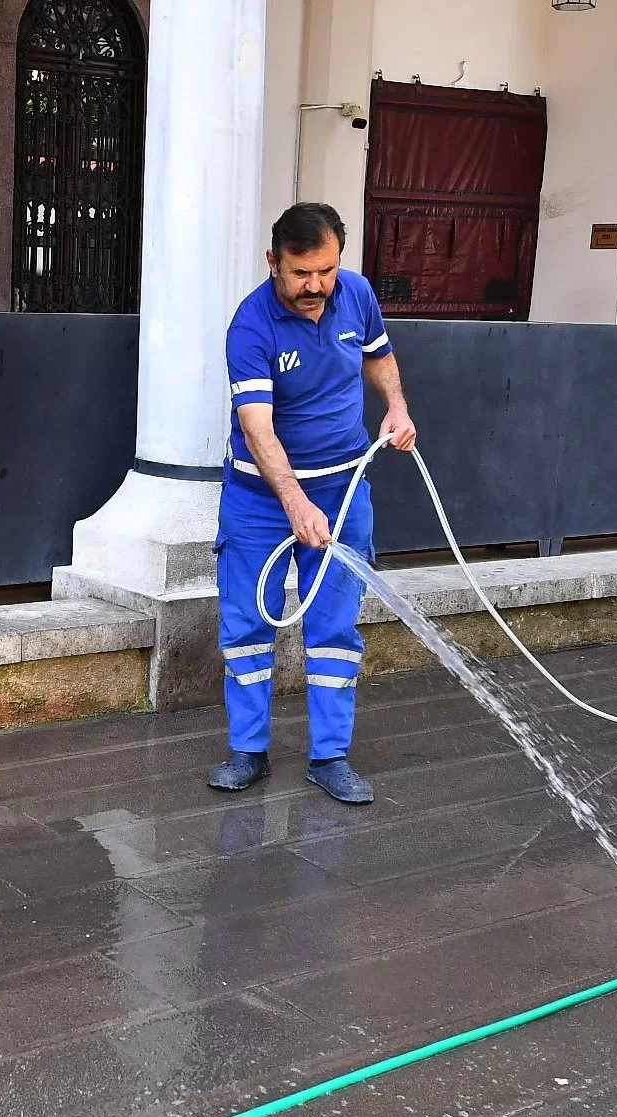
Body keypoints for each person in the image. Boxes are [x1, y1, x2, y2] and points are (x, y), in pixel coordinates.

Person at [207, 203, 417, 803]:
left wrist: (396, 408)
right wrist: (295, 503)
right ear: (274, 262)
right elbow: (256, 427)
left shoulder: (355, 294)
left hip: (344, 490)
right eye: (300, 273)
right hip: (261, 501)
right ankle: (248, 751)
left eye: (325, 270)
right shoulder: (251, 326)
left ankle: (330, 757)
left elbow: (379, 354)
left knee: (334, 628)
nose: (315, 286)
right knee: (248, 626)